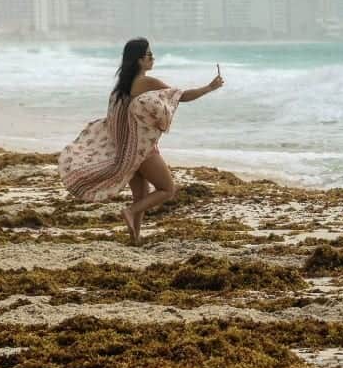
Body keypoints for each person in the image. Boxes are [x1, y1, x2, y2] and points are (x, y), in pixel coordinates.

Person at [58, 37, 224, 243]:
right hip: (142, 150)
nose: (153, 58)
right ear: (139, 60)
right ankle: (130, 212)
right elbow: (180, 96)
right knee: (167, 189)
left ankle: (135, 237)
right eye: (149, 55)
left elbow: (115, 120)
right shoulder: (146, 82)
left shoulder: (121, 87)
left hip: (126, 149)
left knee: (142, 195)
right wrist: (210, 87)